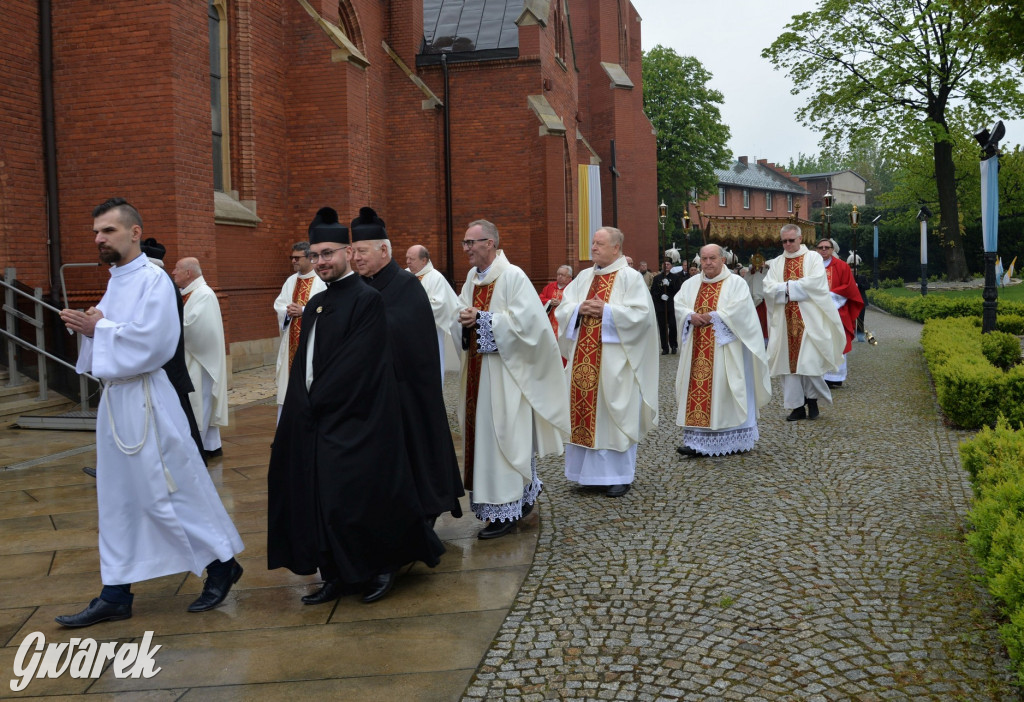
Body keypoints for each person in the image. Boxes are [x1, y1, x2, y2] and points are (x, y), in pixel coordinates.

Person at [56, 198, 243, 627]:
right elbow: (115, 330)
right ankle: (116, 592)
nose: (99, 239)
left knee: (171, 490)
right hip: (117, 402)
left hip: (147, 399)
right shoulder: (117, 279)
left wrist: (97, 329)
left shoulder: (154, 280)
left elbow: (155, 343)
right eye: (96, 232)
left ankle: (221, 564)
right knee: (118, 499)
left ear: (135, 232)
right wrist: (92, 324)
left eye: (108, 231)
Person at [267, 207, 444, 605]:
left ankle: (380, 567)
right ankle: (334, 573)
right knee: (324, 499)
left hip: (359, 420)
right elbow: (304, 366)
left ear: (347, 252)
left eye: (328, 253)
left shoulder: (367, 300)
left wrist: (318, 402)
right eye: (315, 256)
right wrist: (298, 410)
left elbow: (357, 364)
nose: (321, 262)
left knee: (363, 498)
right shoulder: (314, 305)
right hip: (318, 421)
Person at [454, 219, 570, 539]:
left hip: (505, 376)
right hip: (478, 375)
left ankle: (507, 509)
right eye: (465, 243)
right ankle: (505, 502)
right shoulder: (471, 279)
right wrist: (463, 320)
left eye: (471, 242)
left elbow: (531, 328)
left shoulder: (513, 276)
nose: (465, 249)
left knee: (503, 439)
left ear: (489, 243)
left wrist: (484, 319)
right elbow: (462, 314)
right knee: (485, 442)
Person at [349, 207, 464, 523]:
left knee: (416, 452)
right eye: (352, 251)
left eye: (361, 251)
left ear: (384, 250)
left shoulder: (406, 285)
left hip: (407, 391)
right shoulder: (358, 286)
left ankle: (425, 509)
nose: (355, 258)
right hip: (371, 394)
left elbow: (410, 336)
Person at [555, 226, 658, 498]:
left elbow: (643, 318)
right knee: (585, 415)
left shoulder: (630, 278)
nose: (594, 248)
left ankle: (618, 476)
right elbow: (564, 309)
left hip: (616, 364)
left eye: (600, 244)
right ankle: (587, 475)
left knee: (614, 417)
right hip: (582, 362)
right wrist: (579, 309)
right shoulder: (583, 278)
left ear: (616, 248)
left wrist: (608, 311)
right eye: (593, 243)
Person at [673, 245, 772, 457]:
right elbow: (679, 304)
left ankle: (730, 437)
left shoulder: (736, 283)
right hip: (696, 348)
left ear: (722, 260)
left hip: (727, 349)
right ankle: (696, 441)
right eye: (704, 259)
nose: (708, 263)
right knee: (696, 390)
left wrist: (715, 317)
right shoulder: (691, 284)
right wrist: (690, 315)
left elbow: (742, 311)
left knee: (725, 388)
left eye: (712, 258)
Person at [762, 224, 845, 421]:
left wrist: (785, 288)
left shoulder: (813, 258)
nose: (788, 244)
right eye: (784, 241)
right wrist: (794, 289)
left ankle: (812, 399)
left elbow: (816, 283)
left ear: (800, 239)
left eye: (792, 240)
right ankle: (796, 407)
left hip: (809, 320)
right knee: (787, 367)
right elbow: (768, 288)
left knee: (809, 363)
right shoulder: (777, 263)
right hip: (784, 321)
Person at [172, 257, 229, 458]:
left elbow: (195, 328)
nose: (173, 272)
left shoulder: (204, 294)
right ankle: (209, 445)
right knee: (200, 404)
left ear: (189, 273)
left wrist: (167, 325)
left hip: (200, 360)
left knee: (200, 403)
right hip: (191, 358)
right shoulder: (188, 293)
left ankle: (199, 447)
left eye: (177, 269)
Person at [273, 241, 326, 423]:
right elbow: (280, 304)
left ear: (310, 258)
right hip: (291, 342)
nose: (293, 261)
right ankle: (285, 430)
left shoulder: (321, 280)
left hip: (312, 341)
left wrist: (303, 311)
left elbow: (326, 308)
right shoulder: (291, 281)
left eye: (297, 258)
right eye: (292, 257)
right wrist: (287, 311)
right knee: (287, 387)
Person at [406, 243, 461, 379]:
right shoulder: (405, 275)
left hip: (429, 332)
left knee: (431, 368)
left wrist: (409, 310)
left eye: (411, 259)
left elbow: (439, 305)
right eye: (407, 258)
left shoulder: (435, 278)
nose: (407, 262)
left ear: (424, 260)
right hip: (407, 333)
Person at [815, 238, 864, 388]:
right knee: (819, 343)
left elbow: (849, 287)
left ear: (832, 250)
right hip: (816, 312)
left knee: (837, 342)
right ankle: (820, 375)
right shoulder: (811, 266)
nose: (823, 250)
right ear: (816, 250)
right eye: (820, 247)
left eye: (826, 247)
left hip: (837, 311)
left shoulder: (842, 266)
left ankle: (835, 377)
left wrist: (828, 296)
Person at [539, 264, 573, 364]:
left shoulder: (573, 287)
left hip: (564, 325)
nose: (559, 277)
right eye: (558, 274)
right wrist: (549, 302)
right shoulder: (549, 287)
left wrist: (562, 304)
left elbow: (577, 302)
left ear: (569, 277)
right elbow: (540, 299)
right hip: (550, 321)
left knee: (563, 346)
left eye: (562, 275)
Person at [651, 259, 683, 355]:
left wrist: (670, 285)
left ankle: (673, 345)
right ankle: (665, 347)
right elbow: (653, 291)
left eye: (668, 264)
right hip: (661, 307)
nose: (666, 266)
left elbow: (678, 291)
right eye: (664, 264)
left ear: (671, 266)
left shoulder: (675, 277)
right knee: (662, 327)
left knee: (672, 326)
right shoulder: (657, 278)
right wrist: (660, 296)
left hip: (671, 306)